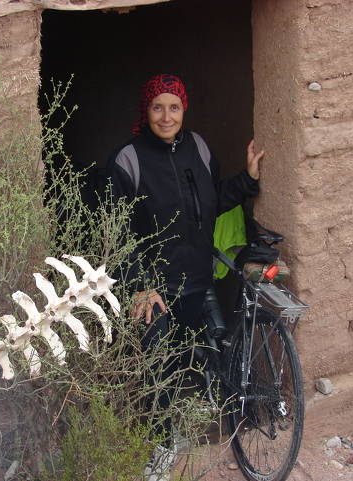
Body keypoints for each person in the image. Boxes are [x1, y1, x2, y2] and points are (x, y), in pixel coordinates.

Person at [106, 74, 263, 480]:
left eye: (173, 107)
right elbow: (114, 230)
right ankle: (160, 449)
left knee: (201, 358)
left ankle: (199, 431)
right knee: (156, 369)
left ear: (184, 109)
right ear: (147, 110)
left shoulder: (199, 147)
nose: (166, 115)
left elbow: (212, 203)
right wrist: (139, 283)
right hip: (153, 289)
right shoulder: (129, 158)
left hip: (196, 281)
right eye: (158, 107)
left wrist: (247, 180)